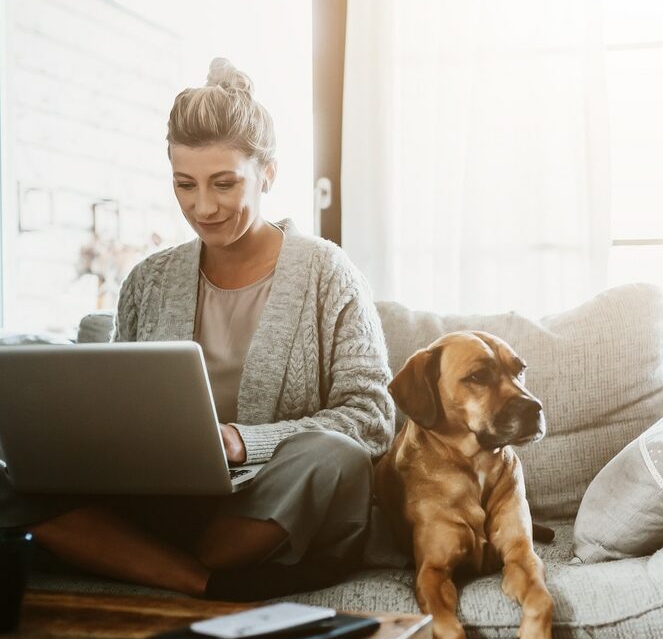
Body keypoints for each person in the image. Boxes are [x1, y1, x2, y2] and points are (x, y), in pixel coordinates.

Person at [0, 58, 395, 600]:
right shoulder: (149, 280)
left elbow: (371, 419)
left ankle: (135, 557)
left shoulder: (328, 273)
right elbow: (115, 406)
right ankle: (204, 581)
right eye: (184, 184)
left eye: (224, 184)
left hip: (270, 505)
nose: (201, 206)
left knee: (334, 456)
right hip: (163, 501)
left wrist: (243, 442)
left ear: (269, 174)